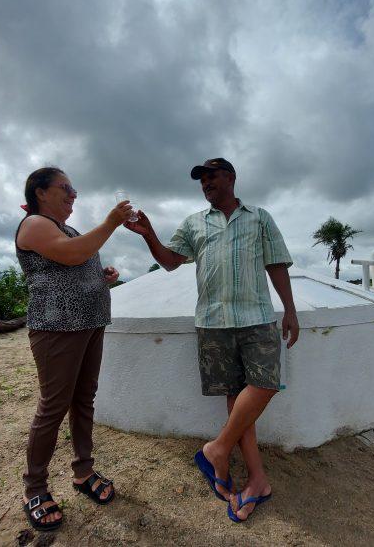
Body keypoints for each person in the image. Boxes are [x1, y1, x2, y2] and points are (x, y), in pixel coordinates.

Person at [125, 158, 299, 522]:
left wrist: (291, 310)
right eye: (201, 180)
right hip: (213, 322)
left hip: (257, 319)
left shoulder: (260, 218)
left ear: (231, 178)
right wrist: (149, 234)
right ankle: (257, 480)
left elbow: (277, 264)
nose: (206, 183)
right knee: (237, 402)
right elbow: (171, 261)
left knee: (264, 386)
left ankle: (216, 451)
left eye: (212, 176)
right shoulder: (194, 223)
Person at [15, 167, 132, 531]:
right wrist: (111, 222)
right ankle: (34, 488)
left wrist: (101, 277)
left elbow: (76, 260)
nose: (73, 194)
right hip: (57, 330)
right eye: (66, 188)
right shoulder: (34, 224)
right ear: (41, 192)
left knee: (84, 399)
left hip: (89, 324)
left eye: (74, 189)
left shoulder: (69, 229)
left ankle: (83, 472)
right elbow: (69, 255)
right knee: (53, 407)